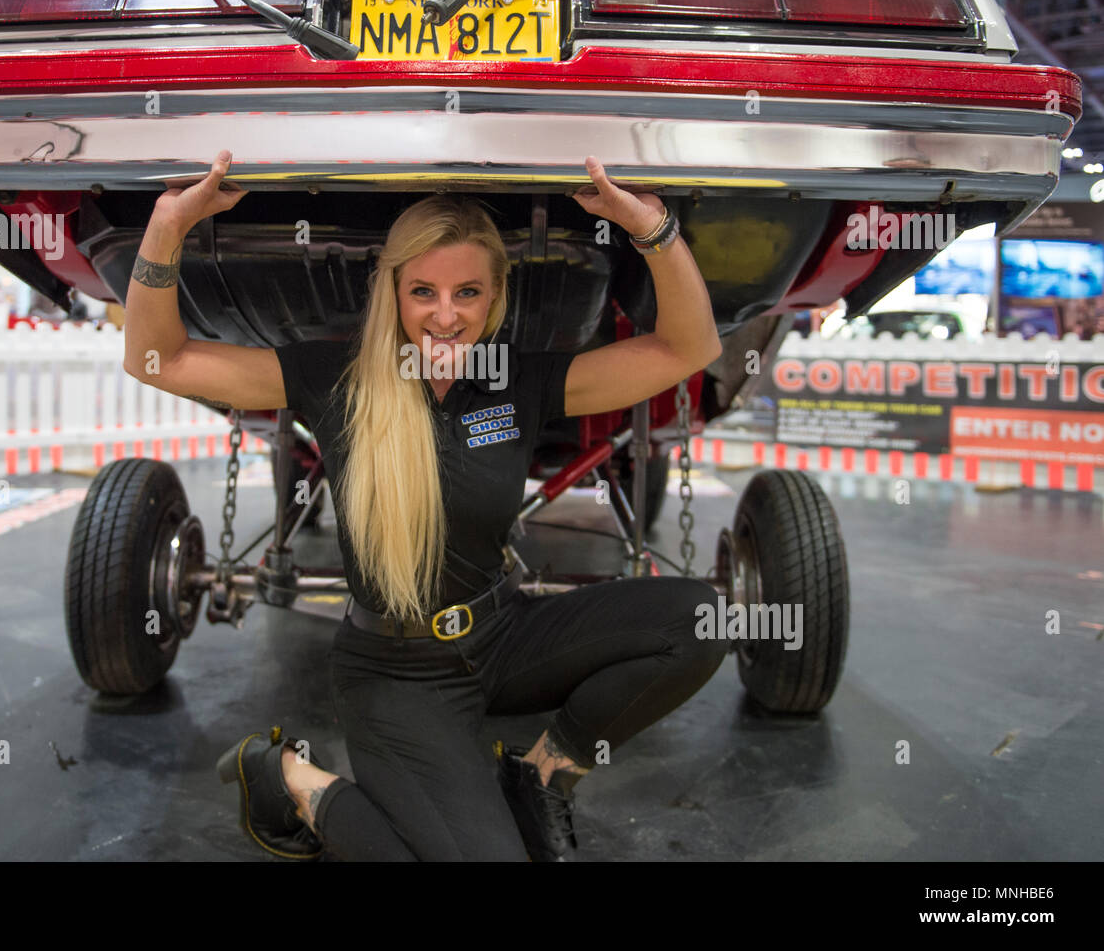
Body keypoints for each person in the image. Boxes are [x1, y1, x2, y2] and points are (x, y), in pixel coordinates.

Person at [123, 151, 727, 862]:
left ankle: (542, 774)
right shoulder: (334, 379)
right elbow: (155, 358)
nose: (445, 316)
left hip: (502, 637)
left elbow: (690, 347)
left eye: (468, 292)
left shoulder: (518, 382)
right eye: (424, 292)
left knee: (698, 620)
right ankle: (289, 779)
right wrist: (168, 226)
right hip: (396, 672)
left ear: (497, 296)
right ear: (395, 291)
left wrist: (651, 226)